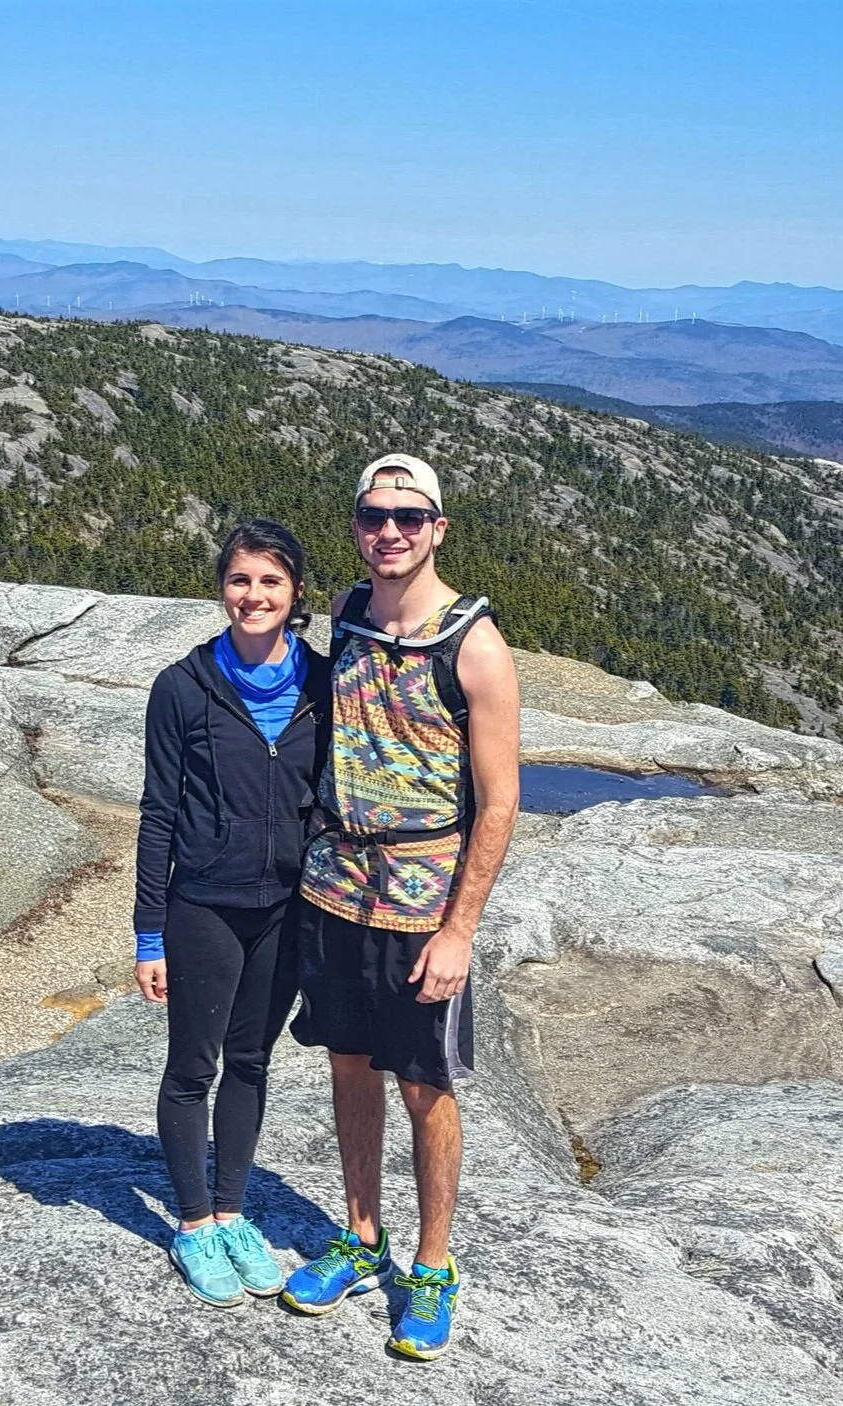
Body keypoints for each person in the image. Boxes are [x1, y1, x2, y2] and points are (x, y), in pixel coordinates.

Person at [281, 454, 520, 1360]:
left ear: (438, 528)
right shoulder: (345, 613)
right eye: (374, 514)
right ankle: (359, 1234)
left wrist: (459, 930)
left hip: (422, 901)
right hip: (336, 886)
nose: (390, 530)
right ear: (356, 525)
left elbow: (498, 800)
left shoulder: (474, 644)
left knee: (425, 1086)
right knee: (348, 1066)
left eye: (409, 517)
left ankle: (431, 1266)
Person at [134, 519, 329, 1308]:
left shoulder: (323, 681)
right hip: (204, 907)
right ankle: (190, 1224)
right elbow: (157, 814)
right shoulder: (182, 687)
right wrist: (150, 933)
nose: (253, 596)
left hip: (288, 906)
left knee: (252, 1062)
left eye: (270, 582)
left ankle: (232, 1213)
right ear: (223, 588)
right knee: (193, 1067)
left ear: (295, 595)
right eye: (241, 580)